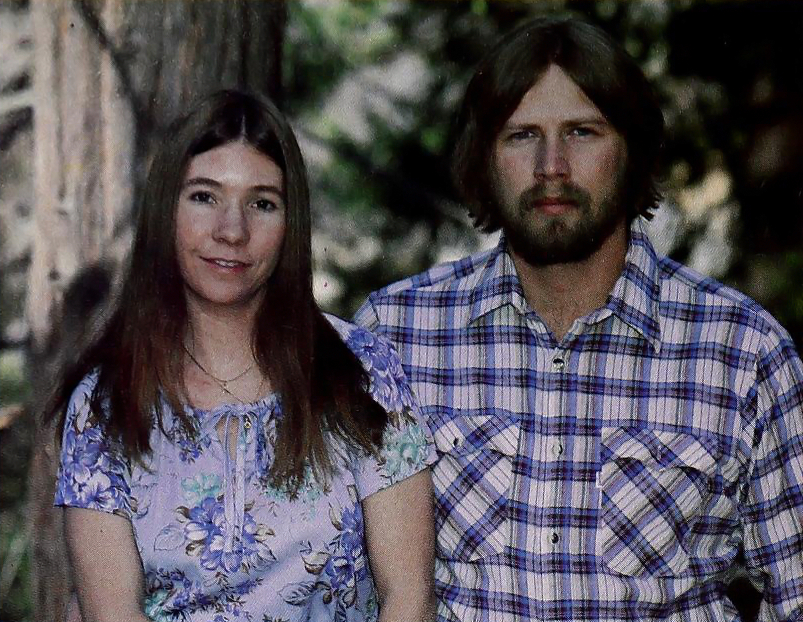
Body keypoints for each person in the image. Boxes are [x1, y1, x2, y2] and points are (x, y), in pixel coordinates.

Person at [355, 15, 803, 622]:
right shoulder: (395, 336)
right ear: (483, 158)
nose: (552, 166)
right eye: (521, 136)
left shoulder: (744, 352)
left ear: (632, 151)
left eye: (582, 132)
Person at [50, 90, 437, 622]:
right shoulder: (106, 403)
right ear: (165, 210)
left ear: (290, 223)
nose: (232, 231)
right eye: (204, 197)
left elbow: (409, 597)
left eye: (262, 204)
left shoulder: (361, 370)